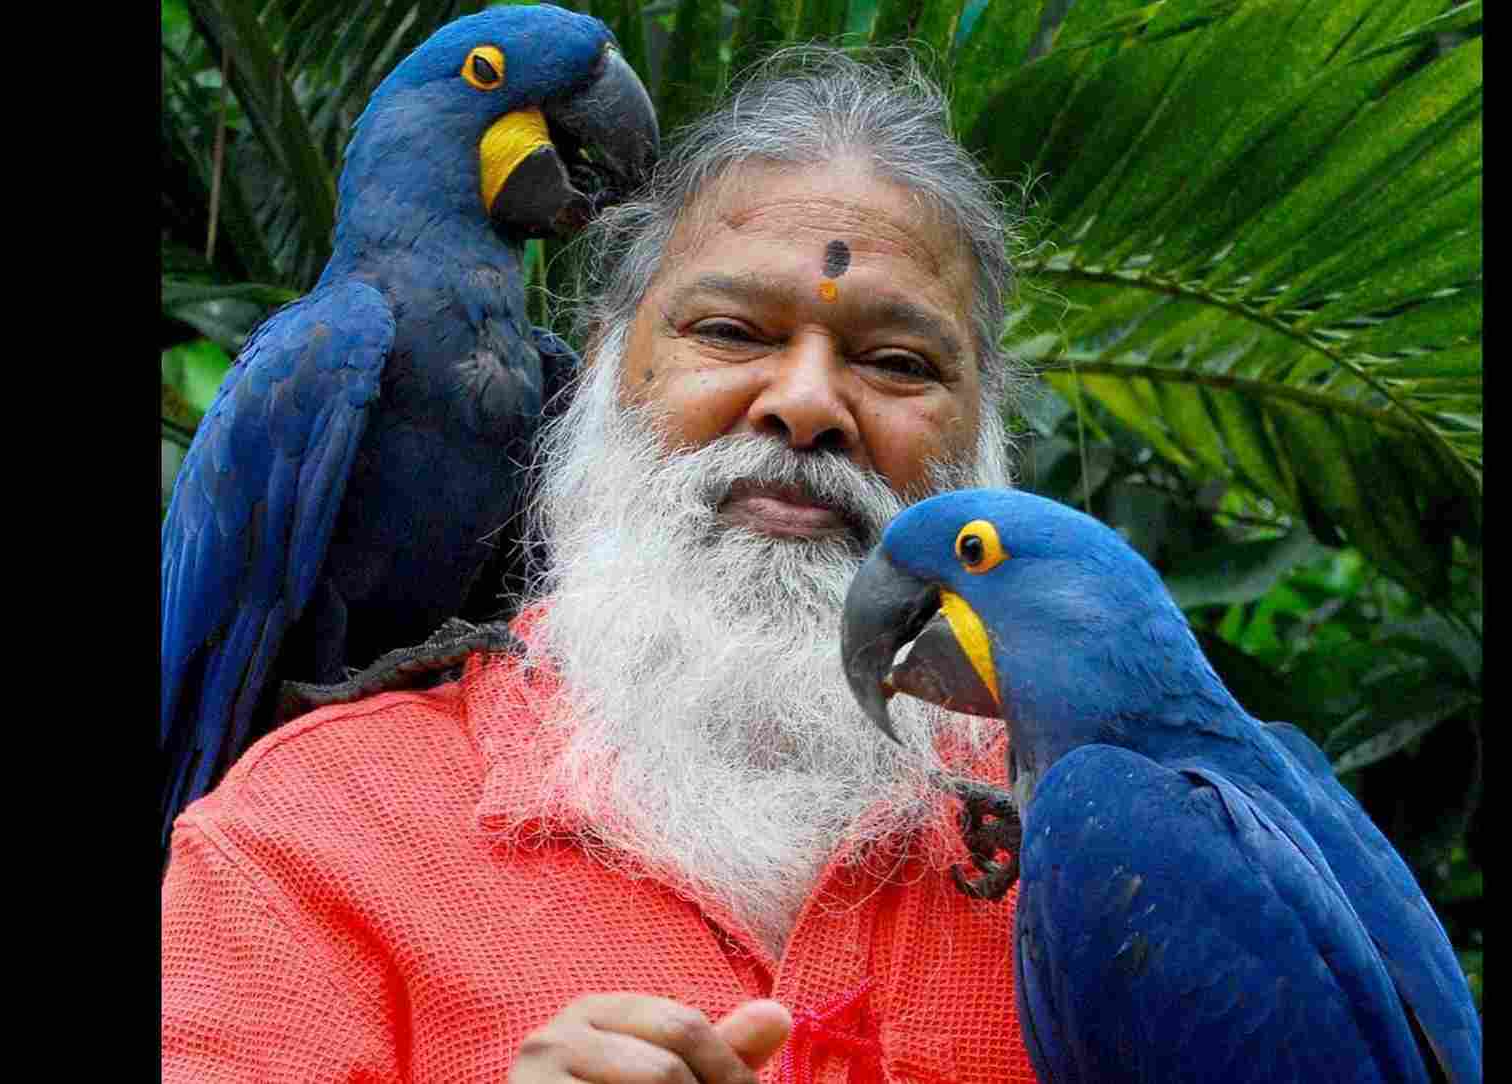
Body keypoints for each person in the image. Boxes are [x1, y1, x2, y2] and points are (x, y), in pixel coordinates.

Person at [162, 46, 1036, 1084]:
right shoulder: (288, 844)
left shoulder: (1136, 831)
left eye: (897, 362)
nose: (804, 405)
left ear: (988, 425)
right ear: (602, 373)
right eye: (728, 329)